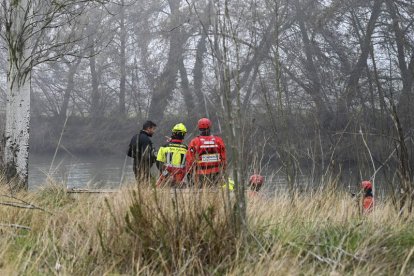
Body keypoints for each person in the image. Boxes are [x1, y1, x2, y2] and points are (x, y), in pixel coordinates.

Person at [186, 118, 226, 187]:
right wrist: (223, 170)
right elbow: (223, 158)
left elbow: (190, 160)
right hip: (216, 173)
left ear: (199, 128)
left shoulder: (195, 141)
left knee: (202, 194)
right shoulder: (218, 140)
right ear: (210, 127)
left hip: (200, 174)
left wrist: (189, 175)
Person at [156, 123, 188, 188]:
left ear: (173, 133)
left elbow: (158, 163)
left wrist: (166, 174)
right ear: (183, 135)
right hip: (180, 177)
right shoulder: (186, 148)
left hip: (165, 176)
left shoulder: (164, 147)